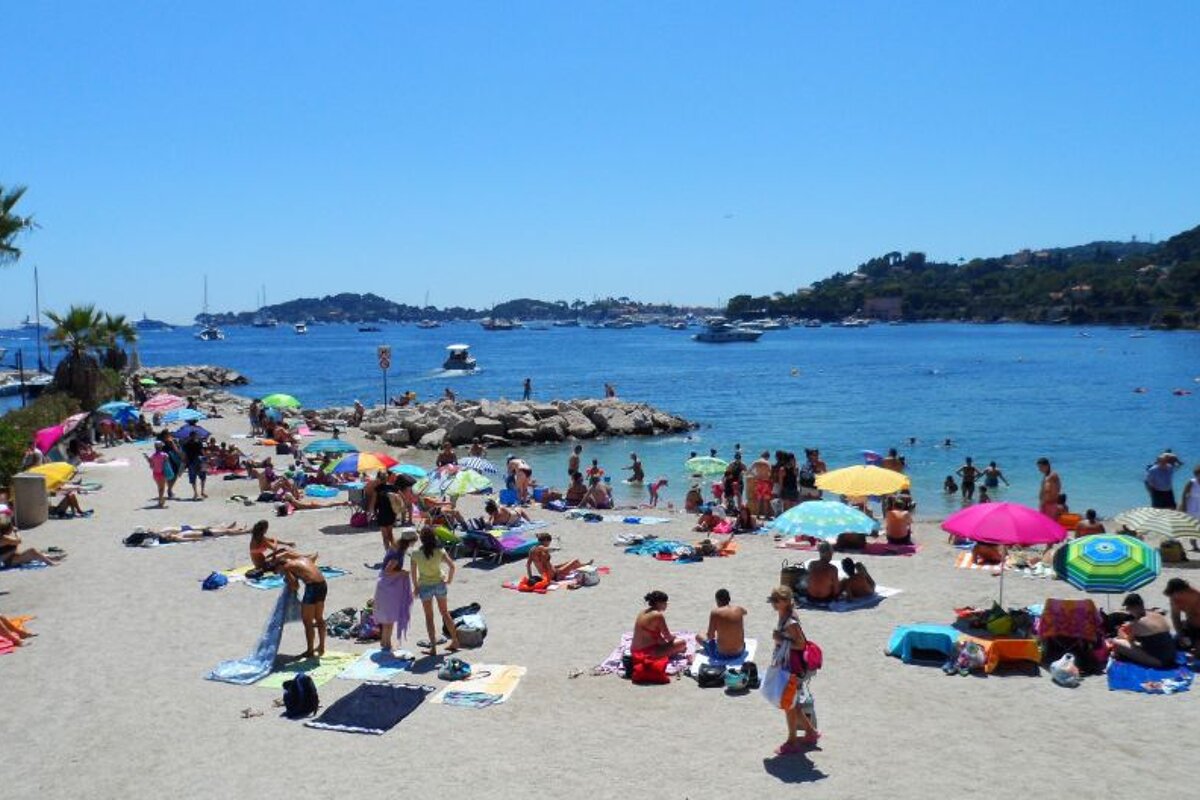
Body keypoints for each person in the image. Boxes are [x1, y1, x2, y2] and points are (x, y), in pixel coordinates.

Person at [768, 586, 820, 753]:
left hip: (792, 668)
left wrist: (780, 639)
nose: (773, 603)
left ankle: (792, 741)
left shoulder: (790, 622)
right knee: (792, 703)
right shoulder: (784, 614)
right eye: (772, 600)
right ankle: (811, 733)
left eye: (776, 600)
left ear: (785, 601)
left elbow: (801, 644)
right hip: (788, 665)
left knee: (788, 704)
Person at [411, 528, 460, 657]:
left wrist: (416, 587)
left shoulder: (415, 553)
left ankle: (433, 647)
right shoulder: (440, 551)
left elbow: (413, 573)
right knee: (445, 613)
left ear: (421, 539)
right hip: (439, 584)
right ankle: (455, 641)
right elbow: (452, 566)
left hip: (425, 586)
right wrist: (449, 580)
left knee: (429, 617)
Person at [374, 529, 416, 652]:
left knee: (388, 617)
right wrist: (403, 572)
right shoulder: (397, 553)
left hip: (385, 585)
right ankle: (387, 644)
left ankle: (385, 642)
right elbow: (388, 570)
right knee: (390, 618)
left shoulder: (396, 546)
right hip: (387, 586)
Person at [1110, 593, 1177, 668]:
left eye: (1128, 608)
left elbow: (1129, 641)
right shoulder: (1157, 615)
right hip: (1172, 656)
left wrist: (1122, 634)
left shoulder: (1137, 623)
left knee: (1117, 643)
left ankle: (1117, 656)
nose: (1128, 611)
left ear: (1133, 608)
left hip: (1160, 661)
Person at [280, 555, 328, 658]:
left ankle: (310, 651)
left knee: (307, 621)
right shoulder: (304, 559)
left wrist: (289, 581)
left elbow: (295, 585)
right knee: (319, 618)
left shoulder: (286, 566)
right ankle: (321, 647)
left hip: (312, 588)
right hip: (323, 584)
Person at [631, 590, 687, 659]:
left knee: (672, 644)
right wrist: (675, 639)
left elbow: (656, 636)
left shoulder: (642, 612)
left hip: (634, 651)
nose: (666, 605)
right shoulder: (658, 615)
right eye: (665, 602)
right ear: (658, 603)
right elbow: (668, 637)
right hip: (646, 653)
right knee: (682, 643)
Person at [696, 588, 747, 659]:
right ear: (729, 599)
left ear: (717, 601)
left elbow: (710, 636)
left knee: (699, 636)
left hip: (723, 655)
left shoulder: (715, 613)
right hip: (740, 651)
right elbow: (745, 612)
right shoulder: (739, 609)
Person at [0, 515, 65, 567]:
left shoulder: (3, 537)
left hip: (11, 558)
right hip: (10, 561)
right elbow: (19, 541)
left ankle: (52, 558)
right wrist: (16, 532)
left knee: (33, 553)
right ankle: (50, 563)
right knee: (32, 551)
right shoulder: (5, 539)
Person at [367, 471, 400, 551]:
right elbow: (402, 498)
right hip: (389, 514)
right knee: (389, 535)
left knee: (386, 536)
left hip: (383, 514)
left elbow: (372, 502)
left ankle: (391, 552)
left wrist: (370, 514)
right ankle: (392, 552)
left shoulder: (378, 488)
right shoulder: (392, 487)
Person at [1165, 578, 1200, 654]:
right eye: (1173, 597)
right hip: (1190, 626)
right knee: (1174, 646)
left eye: (1179, 595)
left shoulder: (1197, 594)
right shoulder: (1174, 598)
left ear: (1185, 590)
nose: (1175, 599)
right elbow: (1175, 617)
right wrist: (1180, 634)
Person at [181, 431, 208, 501]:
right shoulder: (199, 442)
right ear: (195, 436)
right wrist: (206, 459)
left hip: (191, 462)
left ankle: (195, 493)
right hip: (200, 461)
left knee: (193, 478)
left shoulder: (186, 444)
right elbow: (202, 452)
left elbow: (184, 454)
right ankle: (202, 492)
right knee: (203, 477)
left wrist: (184, 462)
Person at [143, 441, 169, 508]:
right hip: (162, 473)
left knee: (159, 487)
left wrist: (147, 457)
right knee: (162, 488)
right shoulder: (164, 455)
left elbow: (151, 464)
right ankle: (160, 502)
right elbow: (166, 463)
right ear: (161, 447)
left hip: (155, 473)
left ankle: (161, 500)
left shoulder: (153, 456)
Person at [749, 451, 773, 516]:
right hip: (765, 482)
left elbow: (749, 470)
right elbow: (771, 472)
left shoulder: (756, 462)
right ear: (767, 457)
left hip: (758, 481)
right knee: (765, 500)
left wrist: (755, 475)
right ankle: (766, 515)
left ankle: (757, 515)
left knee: (759, 499)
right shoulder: (767, 463)